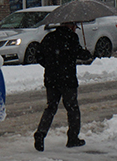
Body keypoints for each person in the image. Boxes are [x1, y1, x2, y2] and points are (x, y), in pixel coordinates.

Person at [33, 22, 94, 151]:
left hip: (51, 80)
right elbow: (79, 54)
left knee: (51, 108)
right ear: (70, 26)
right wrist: (87, 54)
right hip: (68, 80)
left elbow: (38, 55)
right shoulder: (71, 38)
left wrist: (49, 66)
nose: (75, 30)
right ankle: (73, 138)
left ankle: (40, 133)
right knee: (72, 108)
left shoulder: (49, 37)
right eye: (74, 28)